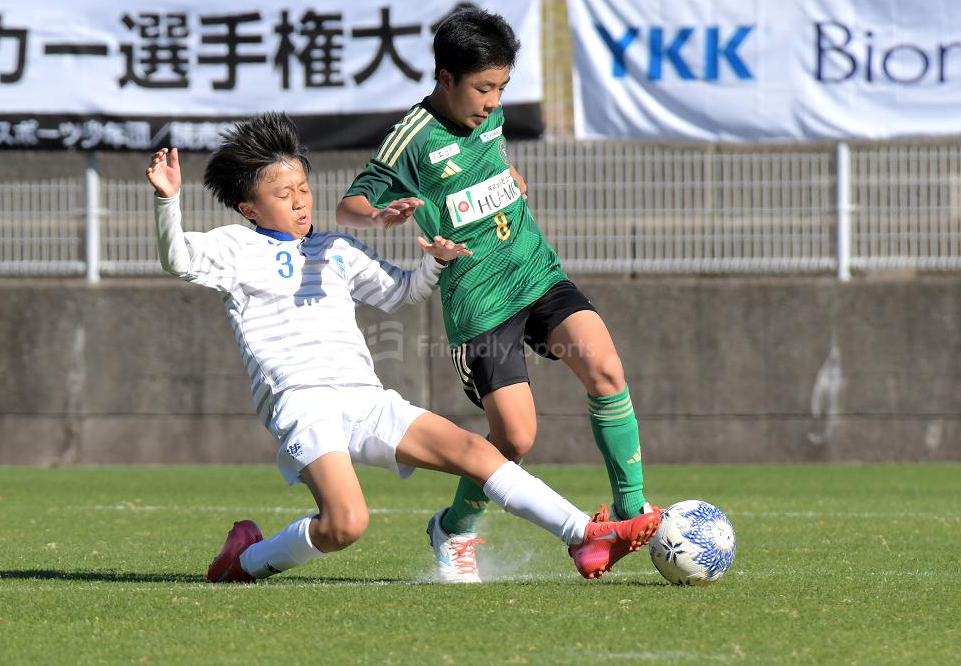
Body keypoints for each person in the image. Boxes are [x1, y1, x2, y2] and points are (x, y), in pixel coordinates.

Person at [144, 112, 660, 584]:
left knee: (476, 451)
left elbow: (402, 292)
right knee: (345, 524)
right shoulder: (235, 248)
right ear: (249, 208)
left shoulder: (336, 248)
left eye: (303, 188)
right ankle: (246, 560)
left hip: (364, 397)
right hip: (302, 403)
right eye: (283, 194)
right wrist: (168, 200)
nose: (300, 201)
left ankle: (584, 535)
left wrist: (436, 260)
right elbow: (178, 259)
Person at [336, 8, 660, 583]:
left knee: (606, 369)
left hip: (534, 271)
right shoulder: (412, 137)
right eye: (482, 88)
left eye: (502, 88)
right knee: (514, 437)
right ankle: (454, 527)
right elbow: (349, 206)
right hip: (479, 301)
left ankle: (631, 511)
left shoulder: (491, 117)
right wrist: (383, 215)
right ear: (446, 79)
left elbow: (486, 166)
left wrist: (507, 181)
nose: (492, 102)